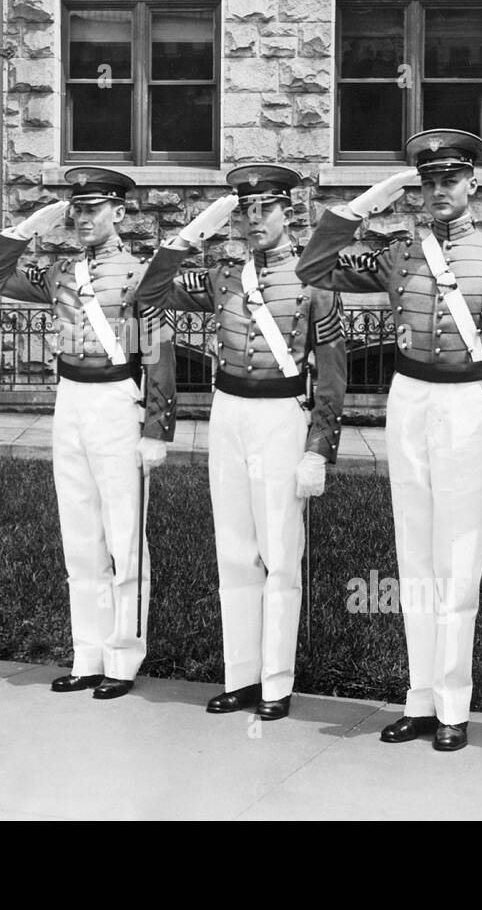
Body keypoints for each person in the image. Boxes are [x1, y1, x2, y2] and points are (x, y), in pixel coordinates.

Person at [295, 129, 482, 750]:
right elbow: (313, 265)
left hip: (465, 404)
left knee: (458, 555)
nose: (438, 192)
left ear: (473, 184)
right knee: (415, 553)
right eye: (427, 182)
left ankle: (454, 705)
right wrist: (368, 201)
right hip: (409, 400)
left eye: (450, 179)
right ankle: (419, 697)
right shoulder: (399, 254)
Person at [134, 165, 346, 721]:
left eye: (266, 210)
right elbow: (149, 290)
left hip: (282, 414)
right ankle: (241, 677)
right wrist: (189, 236)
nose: (255, 221)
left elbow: (332, 374)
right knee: (233, 548)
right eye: (245, 211)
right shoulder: (224, 276)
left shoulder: (315, 280)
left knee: (279, 553)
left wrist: (319, 447)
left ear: (288, 213)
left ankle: (276, 682)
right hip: (227, 411)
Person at [0, 167, 177, 699]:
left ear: (120, 212)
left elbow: (158, 354)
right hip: (70, 400)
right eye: (77, 209)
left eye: (96, 209)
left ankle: (123, 656)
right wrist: (24, 230)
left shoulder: (139, 274)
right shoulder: (60, 274)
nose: (84, 218)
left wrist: (156, 427)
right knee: (80, 533)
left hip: (116, 401)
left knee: (124, 535)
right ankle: (86, 653)